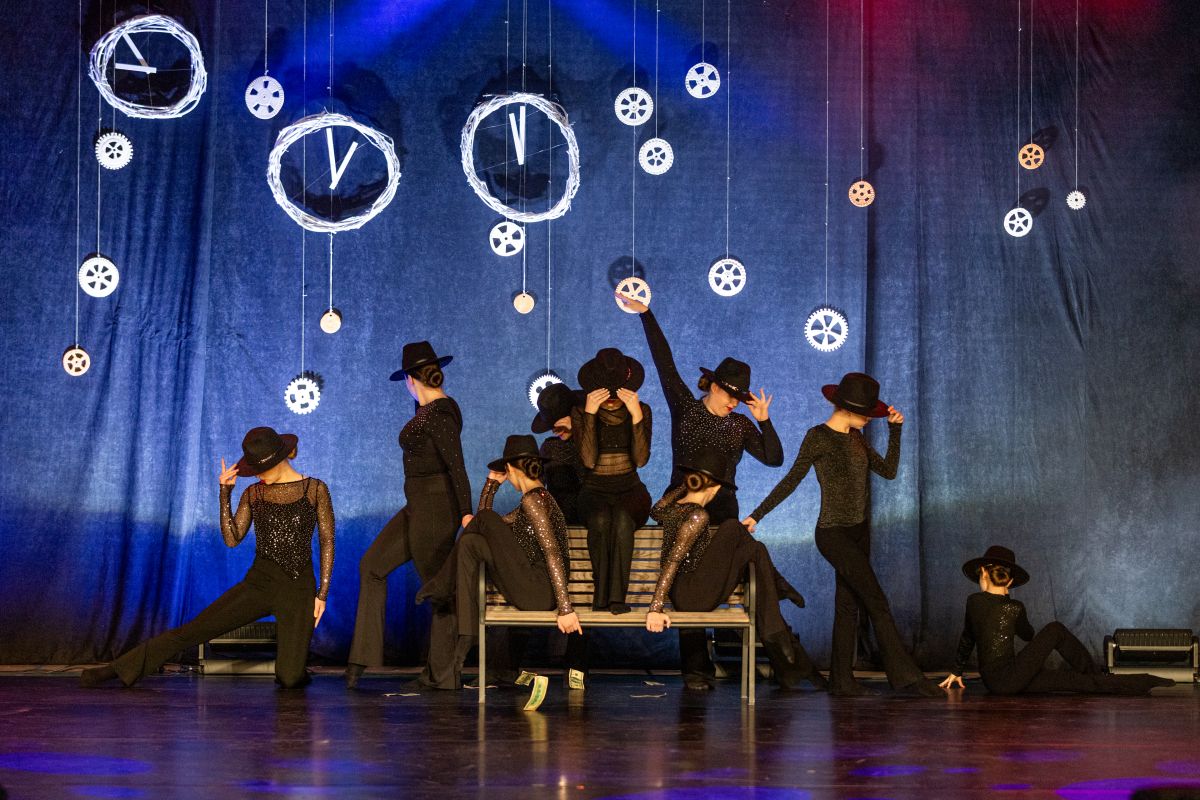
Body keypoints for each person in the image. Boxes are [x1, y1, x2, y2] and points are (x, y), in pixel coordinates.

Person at [81, 427, 334, 689]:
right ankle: (115, 669)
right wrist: (225, 493)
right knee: (191, 631)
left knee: (290, 678)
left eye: (261, 470)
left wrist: (322, 593)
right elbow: (232, 539)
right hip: (259, 584)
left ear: (279, 460)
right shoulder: (254, 493)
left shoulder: (314, 489)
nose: (257, 475)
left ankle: (298, 668)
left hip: (298, 589)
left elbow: (327, 540)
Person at [617, 292, 783, 690]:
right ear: (713, 386)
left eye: (740, 398)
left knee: (729, 574)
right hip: (682, 504)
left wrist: (764, 420)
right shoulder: (686, 408)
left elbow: (774, 459)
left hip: (724, 508)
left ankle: (737, 654)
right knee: (683, 577)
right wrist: (647, 314)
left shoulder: (740, 425)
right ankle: (695, 668)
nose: (735, 403)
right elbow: (664, 362)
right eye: (731, 395)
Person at [743, 372, 940, 697]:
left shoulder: (857, 438)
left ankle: (841, 680)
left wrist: (895, 430)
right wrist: (756, 515)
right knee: (876, 600)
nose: (870, 418)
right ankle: (908, 678)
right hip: (832, 534)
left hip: (859, 532)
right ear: (847, 409)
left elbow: (889, 471)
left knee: (849, 605)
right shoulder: (818, 437)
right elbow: (791, 480)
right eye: (866, 412)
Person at [344, 341, 472, 690]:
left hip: (436, 508)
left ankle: (443, 675)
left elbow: (456, 465)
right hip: (417, 505)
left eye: (406, 379)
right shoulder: (426, 411)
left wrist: (465, 513)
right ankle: (360, 660)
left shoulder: (441, 412)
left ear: (410, 379)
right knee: (372, 565)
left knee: (438, 589)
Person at [644, 451, 824, 691]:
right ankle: (779, 593)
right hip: (691, 596)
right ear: (716, 488)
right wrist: (655, 608)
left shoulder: (670, 510)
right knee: (743, 537)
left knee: (747, 542)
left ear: (690, 482)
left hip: (688, 588)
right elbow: (673, 561)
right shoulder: (698, 516)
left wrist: (684, 487)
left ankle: (786, 650)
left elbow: (655, 510)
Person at [417, 435, 582, 688]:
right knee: (473, 542)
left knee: (484, 521)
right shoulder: (532, 501)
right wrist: (491, 484)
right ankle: (466, 636)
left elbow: (552, 552)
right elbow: (480, 527)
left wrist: (566, 608)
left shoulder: (535, 500)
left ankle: (440, 584)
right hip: (532, 587)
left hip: (539, 590)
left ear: (511, 469)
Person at [940, 546, 1175, 695]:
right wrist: (1008, 604)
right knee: (1055, 629)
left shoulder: (973, 601)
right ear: (1009, 582)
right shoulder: (1013, 607)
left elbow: (968, 637)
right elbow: (1028, 635)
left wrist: (956, 671)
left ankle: (1143, 681)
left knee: (1076, 682)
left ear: (983, 572)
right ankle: (1100, 674)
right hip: (1010, 678)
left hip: (1000, 682)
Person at [575, 348, 652, 613]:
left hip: (630, 490)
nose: (610, 398)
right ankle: (600, 597)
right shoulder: (581, 412)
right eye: (604, 391)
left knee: (621, 518)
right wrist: (590, 414)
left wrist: (636, 415)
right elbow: (588, 460)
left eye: (615, 391)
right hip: (594, 490)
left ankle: (617, 599)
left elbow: (641, 459)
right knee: (600, 519)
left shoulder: (641, 410)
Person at [531, 382, 587, 525]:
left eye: (560, 425)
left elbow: (593, 472)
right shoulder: (549, 447)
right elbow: (537, 487)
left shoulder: (592, 441)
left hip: (593, 515)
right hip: (560, 521)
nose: (555, 430)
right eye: (552, 426)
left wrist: (577, 428)